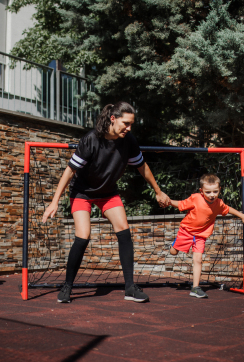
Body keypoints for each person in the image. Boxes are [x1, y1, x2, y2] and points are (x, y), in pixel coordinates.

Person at [42, 101, 170, 303]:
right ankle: (67, 286)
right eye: (126, 123)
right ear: (113, 118)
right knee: (83, 236)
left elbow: (142, 167)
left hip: (108, 192)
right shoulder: (91, 140)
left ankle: (130, 288)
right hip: (82, 193)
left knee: (124, 230)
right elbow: (70, 171)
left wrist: (158, 191)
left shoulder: (129, 141)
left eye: (131, 124)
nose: (129, 128)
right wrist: (54, 201)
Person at [169, 174, 244, 298]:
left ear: (220, 190)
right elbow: (180, 205)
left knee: (198, 260)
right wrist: (168, 201)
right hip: (186, 231)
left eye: (215, 191)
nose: (212, 195)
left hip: (201, 235)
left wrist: (242, 215)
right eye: (208, 192)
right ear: (201, 191)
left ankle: (195, 288)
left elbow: (228, 209)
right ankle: (174, 245)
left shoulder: (218, 203)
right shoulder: (195, 198)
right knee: (173, 252)